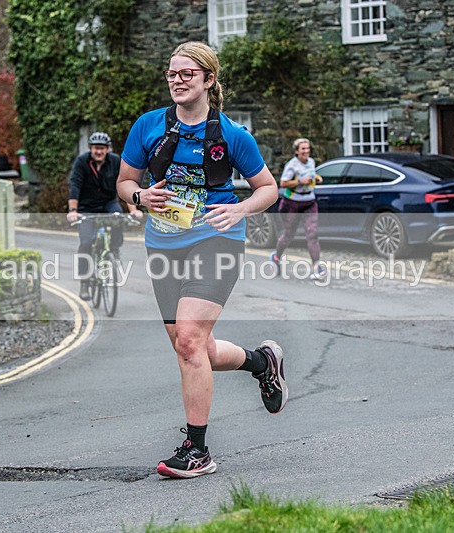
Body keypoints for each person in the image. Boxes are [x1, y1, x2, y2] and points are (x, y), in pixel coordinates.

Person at [117, 41, 288, 479]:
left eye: (186, 74)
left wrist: (241, 208)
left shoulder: (232, 135)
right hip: (164, 244)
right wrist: (140, 196)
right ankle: (261, 362)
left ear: (208, 80)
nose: (177, 80)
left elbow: (269, 188)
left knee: (190, 341)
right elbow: (124, 181)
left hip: (218, 238)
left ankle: (197, 450)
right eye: (172, 73)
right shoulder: (148, 126)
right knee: (193, 348)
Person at [67, 131, 143, 300]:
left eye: (102, 148)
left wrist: (133, 210)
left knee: (118, 219)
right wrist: (73, 211)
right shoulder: (82, 162)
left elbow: (125, 186)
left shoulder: (115, 161)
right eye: (95, 149)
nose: (99, 152)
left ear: (107, 149)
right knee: (86, 243)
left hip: (109, 203)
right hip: (87, 207)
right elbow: (75, 186)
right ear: (90, 149)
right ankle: (85, 282)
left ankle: (113, 249)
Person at [270, 138, 327, 280]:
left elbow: (311, 175)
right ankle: (276, 257)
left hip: (309, 201)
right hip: (293, 203)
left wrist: (317, 178)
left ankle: (316, 268)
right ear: (297, 151)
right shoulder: (292, 165)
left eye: (308, 148)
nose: (306, 151)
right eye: (303, 149)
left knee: (312, 234)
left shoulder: (311, 162)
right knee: (289, 235)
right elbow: (283, 183)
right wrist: (300, 181)